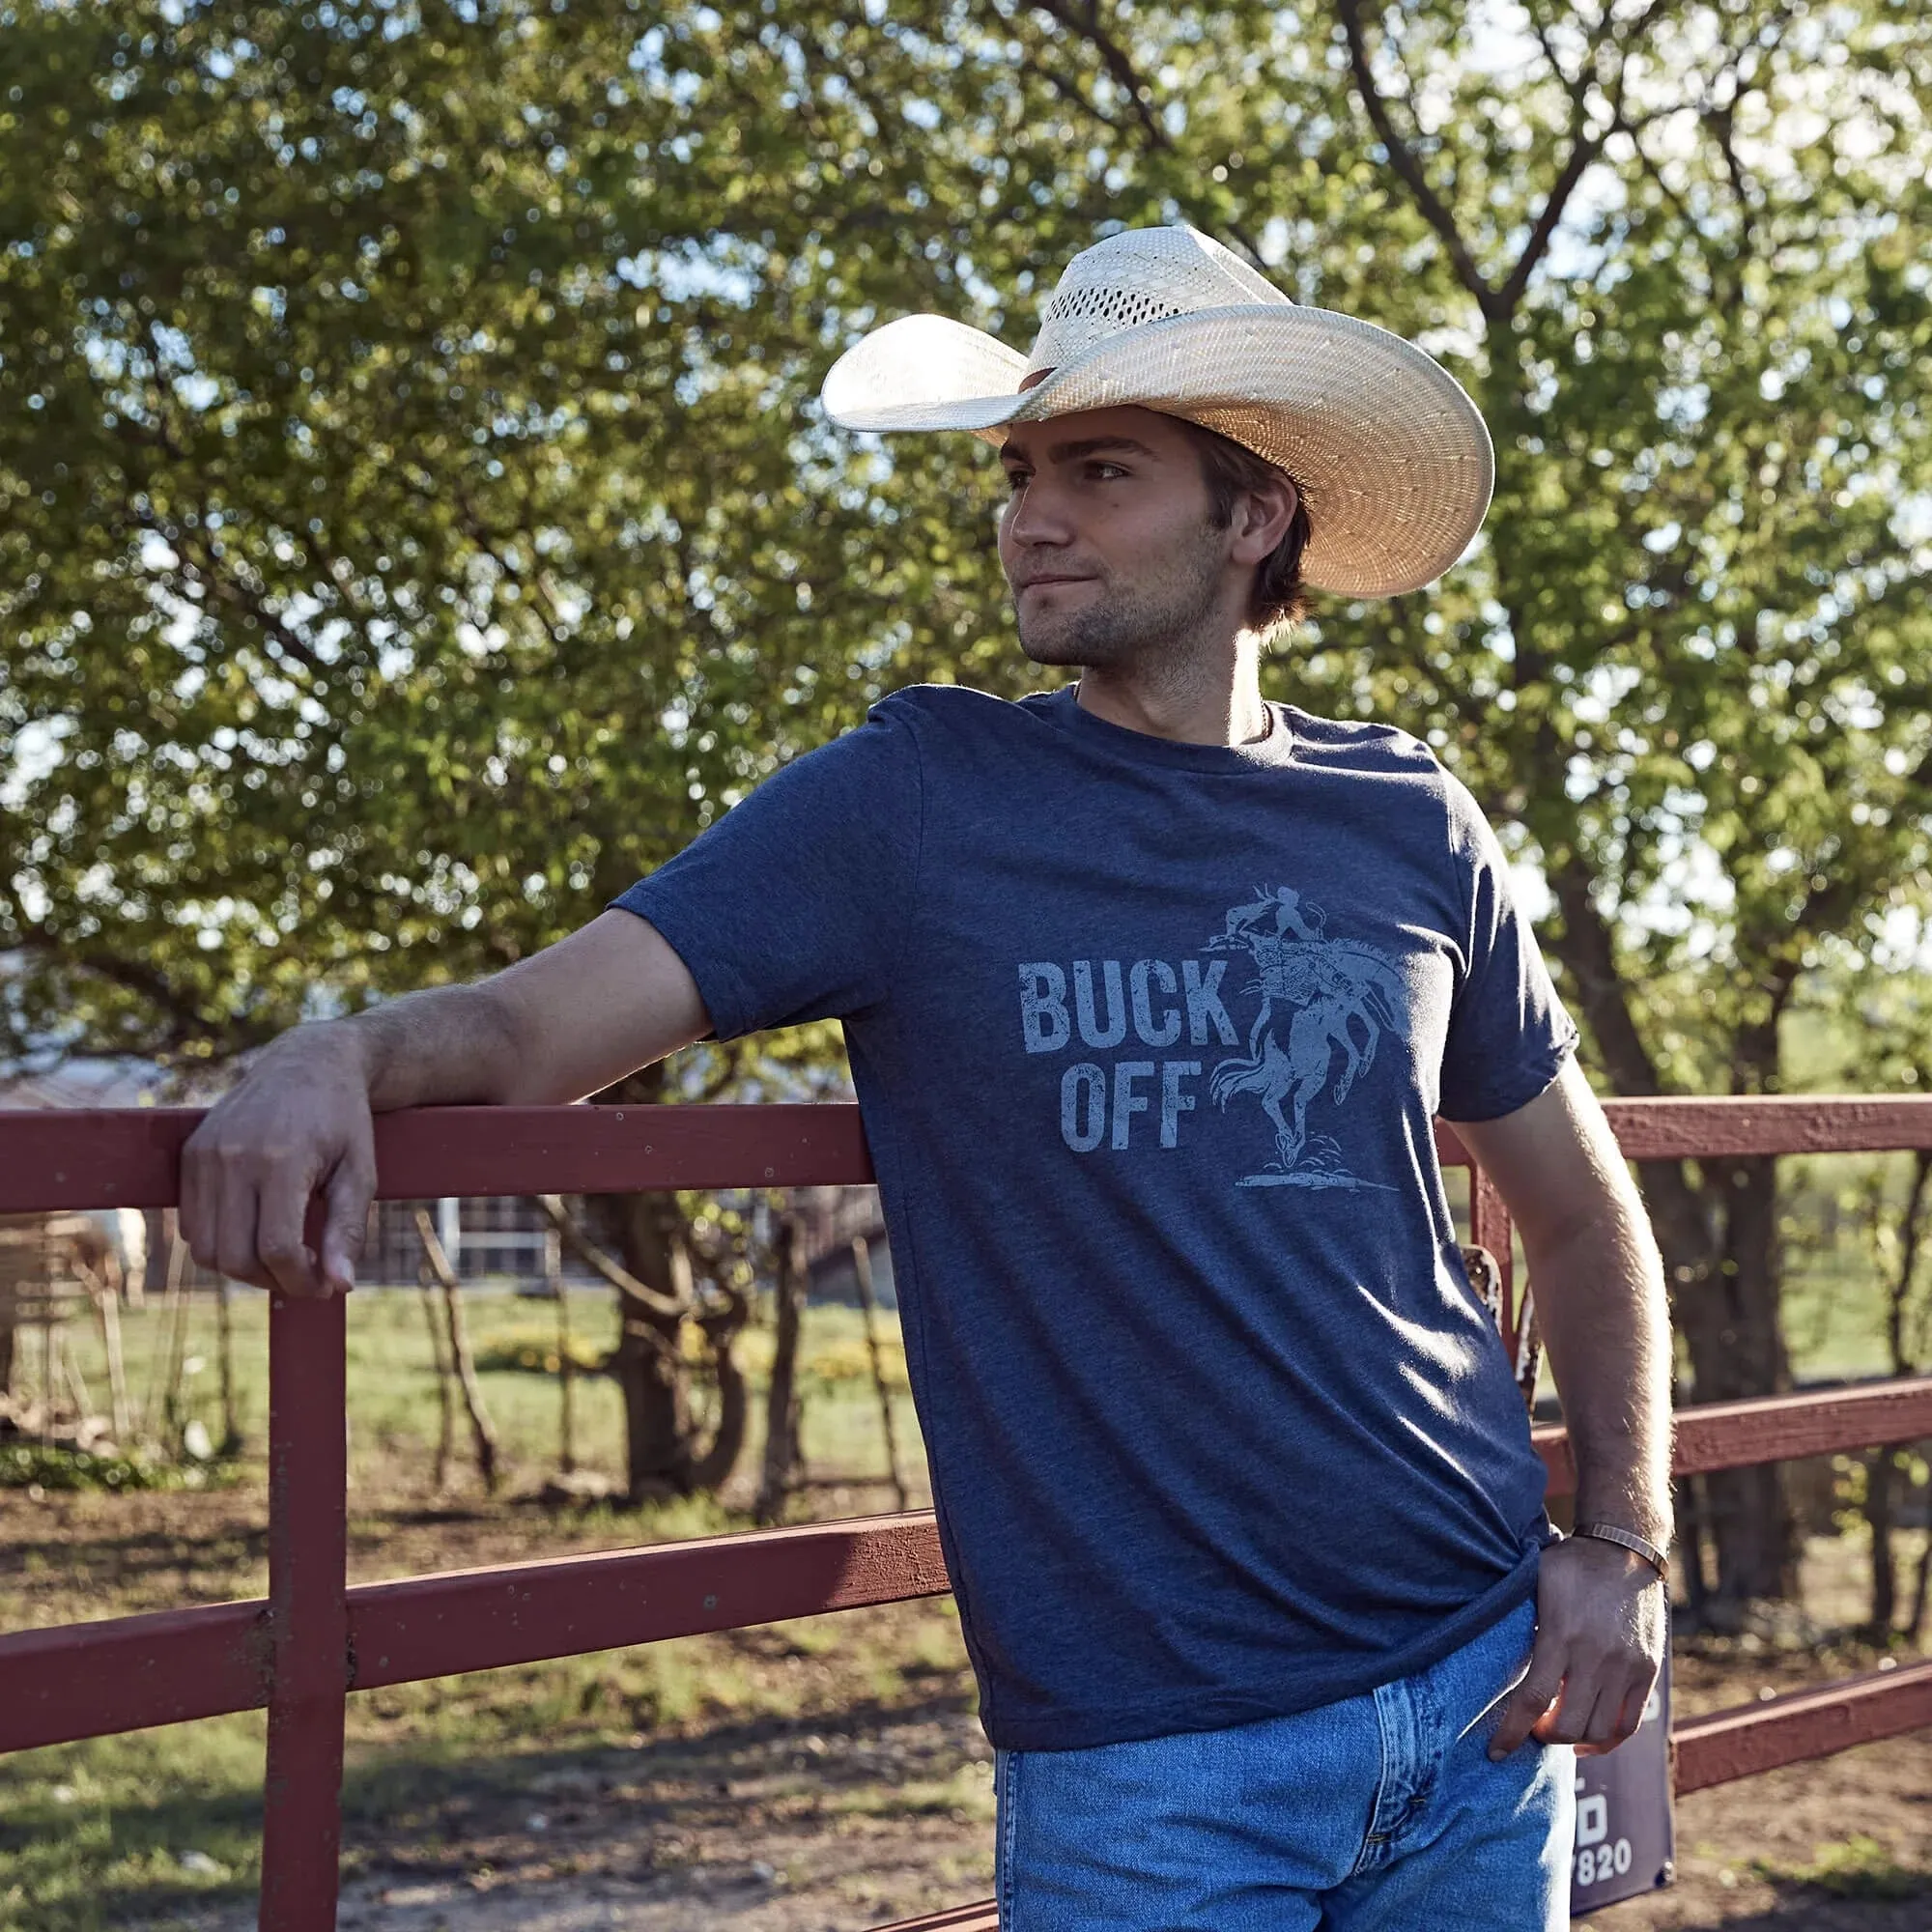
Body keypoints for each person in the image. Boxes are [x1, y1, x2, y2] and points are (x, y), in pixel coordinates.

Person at [182, 225, 1671, 1928]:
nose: (1029, 518)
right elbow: (535, 1028)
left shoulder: (1407, 818)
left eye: (1099, 471)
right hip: (1156, 1764)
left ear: (1253, 515)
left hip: (1482, 1682)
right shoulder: (910, 804)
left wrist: (1621, 1545)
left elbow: (1582, 1214)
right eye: (1019, 473)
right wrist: (336, 1050)